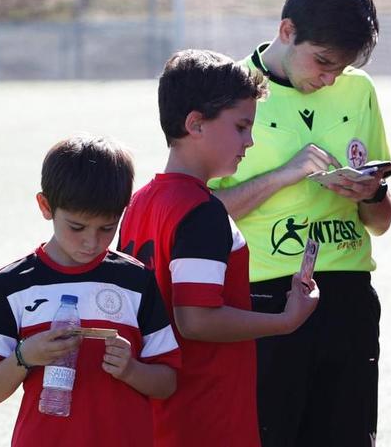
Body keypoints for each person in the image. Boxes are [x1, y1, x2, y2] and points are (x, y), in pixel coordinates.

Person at [208, 0, 391, 447]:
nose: (332, 79)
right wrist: (284, 175)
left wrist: (370, 193)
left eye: (341, 67)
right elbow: (200, 214)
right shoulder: (227, 91)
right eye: (323, 62)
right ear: (287, 31)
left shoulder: (360, 90)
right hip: (263, 298)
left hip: (350, 294)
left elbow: (383, 220)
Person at [117, 49, 319, 447]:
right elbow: (196, 318)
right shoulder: (201, 210)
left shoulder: (141, 201)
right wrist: (285, 320)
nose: (250, 140)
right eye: (241, 126)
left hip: (156, 415)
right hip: (202, 416)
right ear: (195, 124)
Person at [0, 135, 181, 447]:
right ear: (46, 206)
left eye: (107, 228)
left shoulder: (136, 281)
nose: (92, 242)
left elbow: (166, 382)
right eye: (76, 227)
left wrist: (130, 369)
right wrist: (26, 355)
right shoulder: (14, 283)